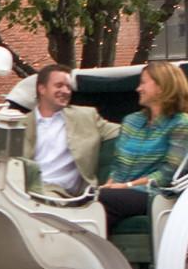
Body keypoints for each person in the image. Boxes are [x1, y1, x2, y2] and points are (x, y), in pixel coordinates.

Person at [98, 61, 188, 234]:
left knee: (102, 200)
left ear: (161, 87)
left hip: (154, 194)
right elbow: (117, 165)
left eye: (144, 82)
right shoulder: (131, 121)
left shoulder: (181, 123)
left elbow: (168, 173)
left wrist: (127, 186)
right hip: (121, 193)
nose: (138, 88)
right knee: (86, 200)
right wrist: (110, 183)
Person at [24, 64, 120, 197]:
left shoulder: (86, 117)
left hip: (60, 193)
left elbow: (125, 131)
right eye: (59, 85)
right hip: (24, 189)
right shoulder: (20, 124)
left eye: (68, 87)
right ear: (42, 89)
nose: (66, 91)